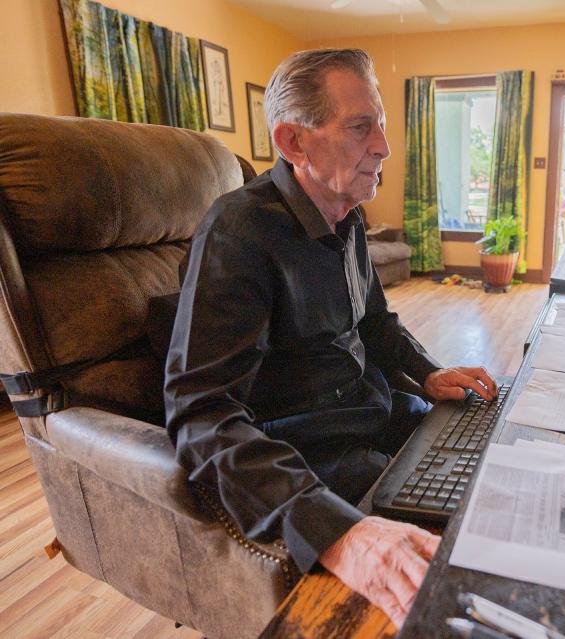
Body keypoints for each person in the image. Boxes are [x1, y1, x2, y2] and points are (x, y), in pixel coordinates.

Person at [163, 48, 497, 628]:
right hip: (310, 456)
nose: (385, 147)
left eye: (382, 126)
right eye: (361, 127)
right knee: (456, 574)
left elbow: (374, 323)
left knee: (497, 448)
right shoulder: (238, 231)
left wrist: (428, 372)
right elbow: (200, 413)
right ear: (295, 143)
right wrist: (338, 532)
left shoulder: (347, 213)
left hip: (377, 412)